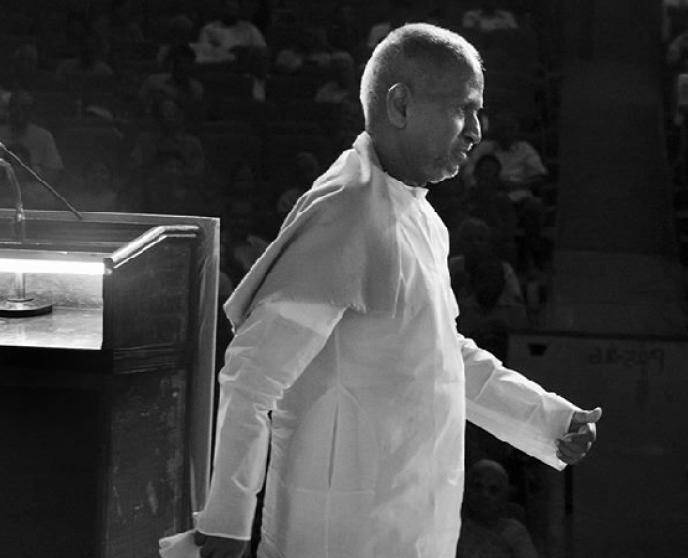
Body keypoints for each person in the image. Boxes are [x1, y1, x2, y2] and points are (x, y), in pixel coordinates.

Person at [161, 23, 601, 558]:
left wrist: (548, 418)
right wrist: (227, 528)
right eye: (464, 108)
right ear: (400, 106)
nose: (477, 131)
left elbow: (440, 354)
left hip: (412, 526)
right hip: (339, 534)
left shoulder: (419, 215)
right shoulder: (347, 212)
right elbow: (251, 380)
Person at [456, 459, 538, 558]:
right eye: (478, 487)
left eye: (493, 490)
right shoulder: (454, 527)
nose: (484, 495)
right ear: (466, 489)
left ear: (504, 497)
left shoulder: (513, 533)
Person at [0, 90, 64, 184]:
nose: (19, 112)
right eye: (15, 107)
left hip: (33, 190)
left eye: (24, 108)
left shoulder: (44, 137)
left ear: (31, 112)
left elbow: (54, 173)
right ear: (8, 110)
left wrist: (31, 177)